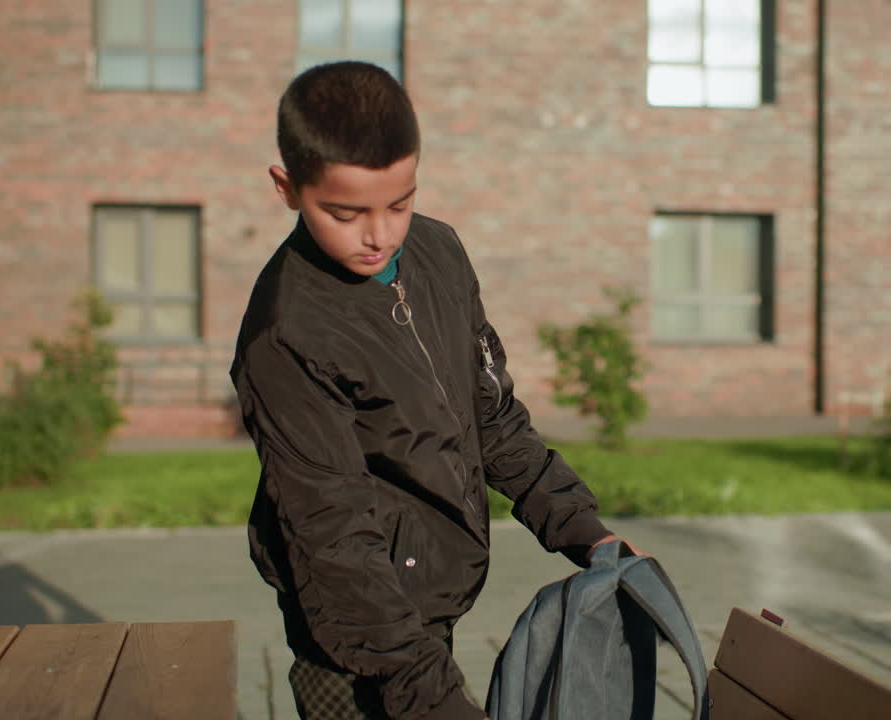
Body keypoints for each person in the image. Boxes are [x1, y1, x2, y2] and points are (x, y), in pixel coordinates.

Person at [230, 61, 636, 720]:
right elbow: (332, 537)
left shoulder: (438, 254)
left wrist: (586, 534)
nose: (380, 234)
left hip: (432, 603)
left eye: (400, 202)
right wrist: (433, 697)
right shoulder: (286, 333)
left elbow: (492, 420)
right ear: (287, 187)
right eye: (345, 212)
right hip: (353, 636)